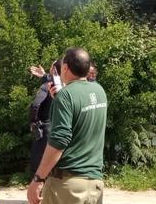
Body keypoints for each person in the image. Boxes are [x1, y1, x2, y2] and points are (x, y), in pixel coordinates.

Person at [28, 48, 108, 204]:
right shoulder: (99, 91)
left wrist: (38, 179)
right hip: (95, 183)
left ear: (65, 68)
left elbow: (59, 141)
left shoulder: (66, 96)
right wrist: (59, 99)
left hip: (67, 184)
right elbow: (83, 124)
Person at [28, 61, 62, 174]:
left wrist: (33, 121)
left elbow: (35, 105)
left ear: (54, 69)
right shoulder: (65, 86)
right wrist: (44, 76)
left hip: (45, 128)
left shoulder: (47, 86)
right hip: (59, 127)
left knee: (39, 162)